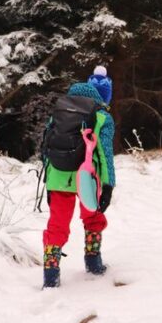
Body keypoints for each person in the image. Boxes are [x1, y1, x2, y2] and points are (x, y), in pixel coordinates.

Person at [41, 66, 116, 288]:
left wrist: (48, 181)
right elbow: (105, 153)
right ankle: (93, 263)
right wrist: (108, 184)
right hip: (87, 176)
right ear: (105, 95)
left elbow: (46, 146)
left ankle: (51, 275)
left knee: (57, 224)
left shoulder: (61, 109)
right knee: (93, 216)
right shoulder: (102, 116)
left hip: (58, 174)